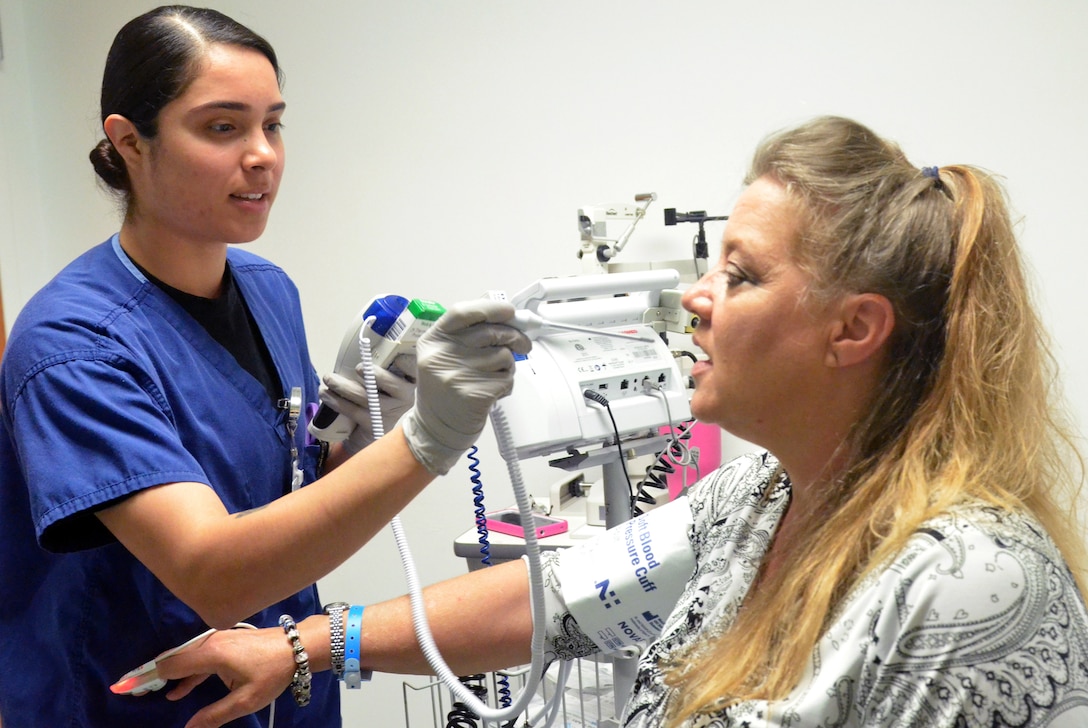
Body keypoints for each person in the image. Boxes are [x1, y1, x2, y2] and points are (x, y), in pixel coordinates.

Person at [117, 115, 1088, 727]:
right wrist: (306, 644)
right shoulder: (756, 497)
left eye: (740, 275)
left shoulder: (967, 580)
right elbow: (551, 600)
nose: (695, 299)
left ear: (852, 329)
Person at [0, 6, 530, 728]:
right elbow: (214, 574)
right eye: (224, 127)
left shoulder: (266, 289)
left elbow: (296, 495)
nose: (263, 155)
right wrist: (429, 440)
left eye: (272, 124)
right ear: (129, 143)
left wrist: (372, 425)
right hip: (137, 704)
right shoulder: (72, 346)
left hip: (283, 683)